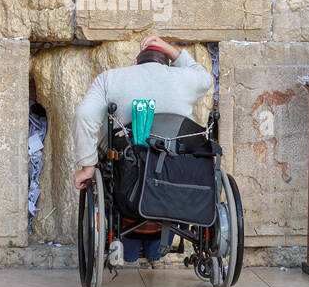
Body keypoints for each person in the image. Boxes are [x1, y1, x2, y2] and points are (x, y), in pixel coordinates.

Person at [73, 35, 213, 263]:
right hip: (176, 184)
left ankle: (127, 243)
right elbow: (205, 77)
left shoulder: (111, 78)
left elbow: (84, 116)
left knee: (120, 164)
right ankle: (158, 245)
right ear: (167, 64)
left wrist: (87, 166)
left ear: (136, 64)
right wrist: (168, 47)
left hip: (129, 186)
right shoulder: (186, 78)